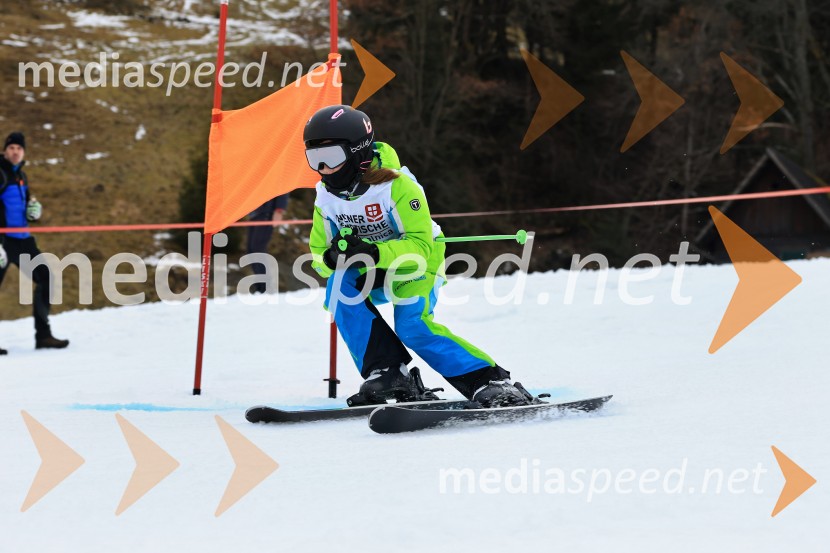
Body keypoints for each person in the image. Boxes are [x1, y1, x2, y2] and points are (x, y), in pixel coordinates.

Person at [305, 105, 534, 407]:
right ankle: (388, 372)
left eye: (330, 157)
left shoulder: (397, 186)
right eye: (314, 159)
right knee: (338, 288)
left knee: (413, 328)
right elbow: (318, 251)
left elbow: (421, 248)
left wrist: (375, 251)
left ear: (358, 152)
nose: (323, 168)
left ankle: (487, 380)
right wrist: (330, 258)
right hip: (371, 266)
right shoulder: (326, 197)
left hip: (414, 262)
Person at [0, 132, 69, 352]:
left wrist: (33, 212)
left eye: (19, 148)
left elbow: (23, 207)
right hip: (3, 241)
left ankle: (44, 336)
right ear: (5, 151)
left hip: (23, 240)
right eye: (11, 148)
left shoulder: (22, 176)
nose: (15, 152)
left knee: (46, 278)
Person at [246, 194, 289, 294]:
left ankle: (265, 288)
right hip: (254, 212)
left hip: (267, 211)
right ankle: (260, 287)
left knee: (257, 248)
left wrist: (279, 210)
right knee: (250, 250)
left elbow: (282, 188)